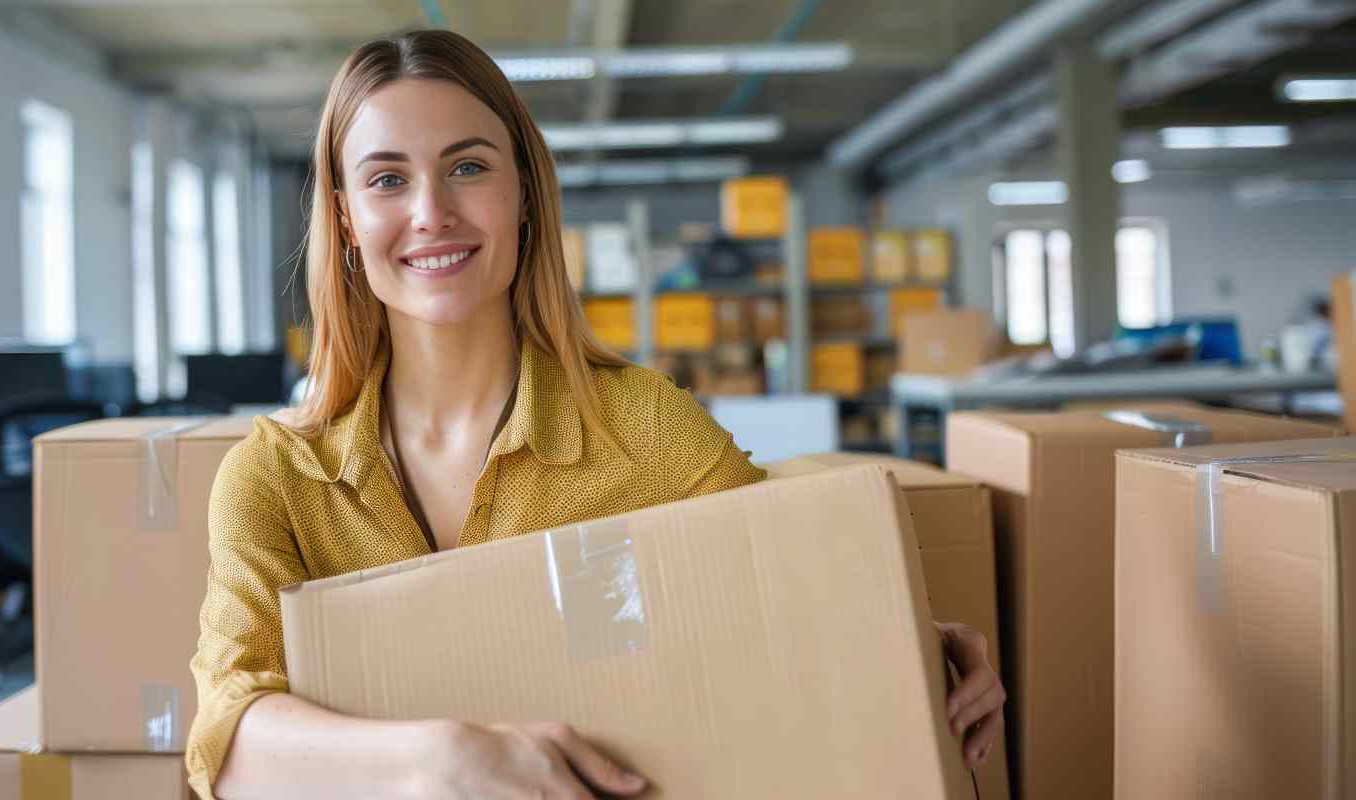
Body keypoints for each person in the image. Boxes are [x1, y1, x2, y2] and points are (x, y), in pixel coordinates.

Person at [186, 29, 1005, 800]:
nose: (431, 211)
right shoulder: (277, 479)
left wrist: (918, 641)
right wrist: (440, 759)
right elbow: (226, 746)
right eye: (388, 178)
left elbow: (777, 588)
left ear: (524, 195)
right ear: (345, 219)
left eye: (468, 168)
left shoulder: (641, 429)